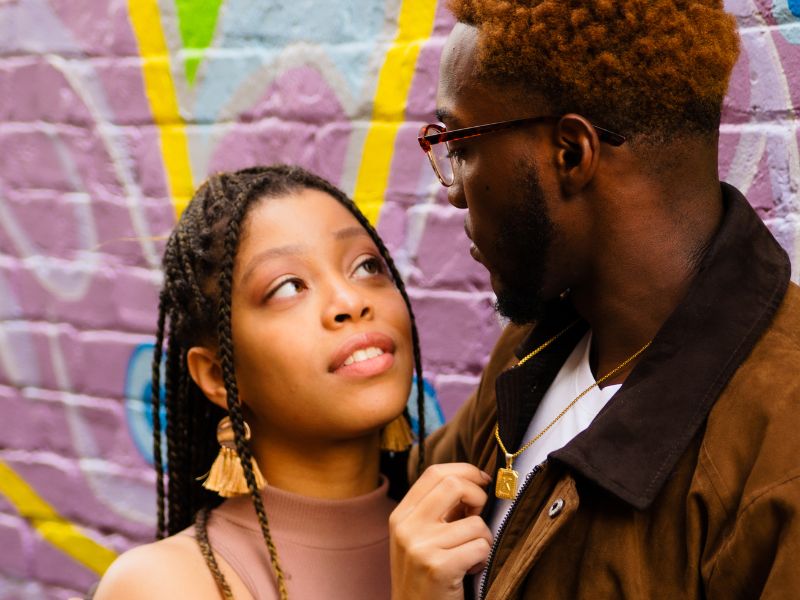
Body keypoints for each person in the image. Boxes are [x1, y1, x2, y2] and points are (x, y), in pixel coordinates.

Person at [390, 1, 800, 599]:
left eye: (460, 145)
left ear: (572, 154)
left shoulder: (780, 446)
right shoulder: (536, 349)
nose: (452, 192)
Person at [92, 165, 426, 600]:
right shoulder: (163, 584)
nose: (350, 301)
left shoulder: (466, 534)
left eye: (366, 266)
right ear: (216, 375)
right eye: (288, 287)